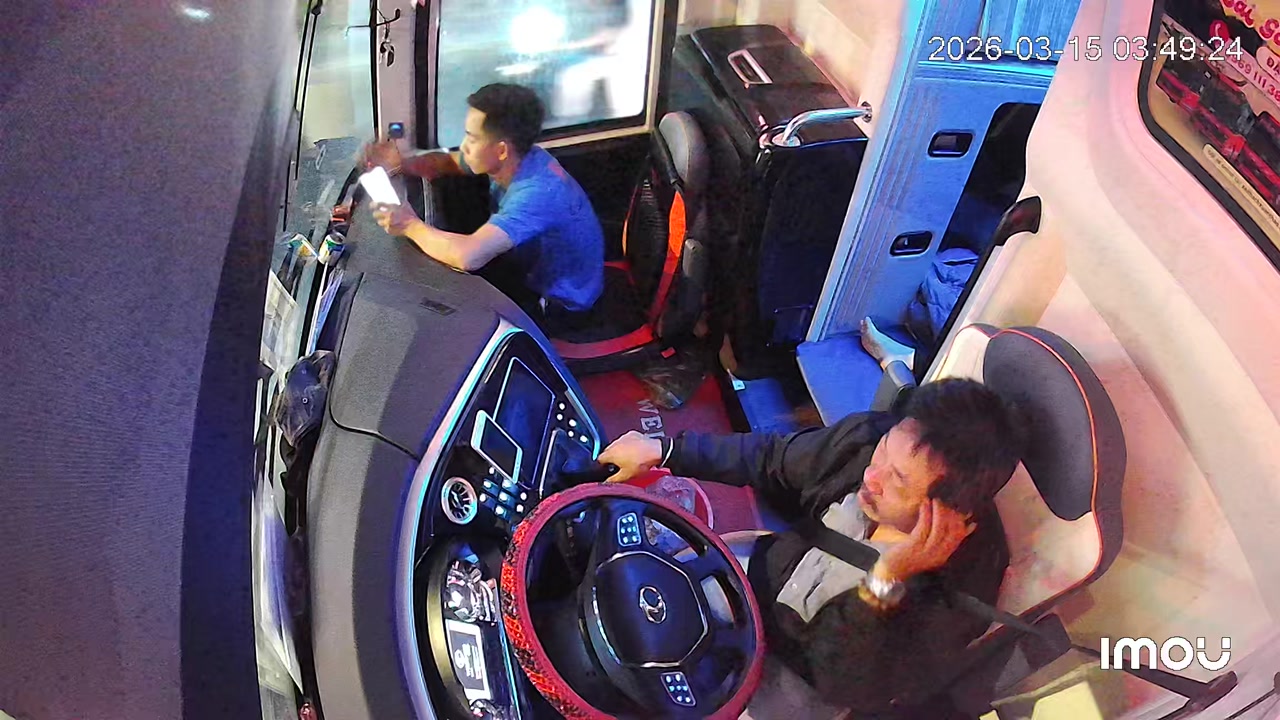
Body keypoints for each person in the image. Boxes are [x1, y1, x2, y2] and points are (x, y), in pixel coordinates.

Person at [597, 378, 1027, 716]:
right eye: (883, 452)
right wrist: (666, 449)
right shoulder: (865, 442)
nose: (872, 476)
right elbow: (773, 457)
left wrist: (886, 581)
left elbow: (842, 681)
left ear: (948, 509)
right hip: (772, 576)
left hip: (804, 673)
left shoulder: (958, 596)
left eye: (897, 480)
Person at [363, 83, 605, 327]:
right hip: (531, 268)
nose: (464, 146)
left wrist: (408, 224)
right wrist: (401, 163)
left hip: (562, 305)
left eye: (472, 138)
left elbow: (469, 256)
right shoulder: (520, 158)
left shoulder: (537, 193)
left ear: (501, 150)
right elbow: (445, 163)